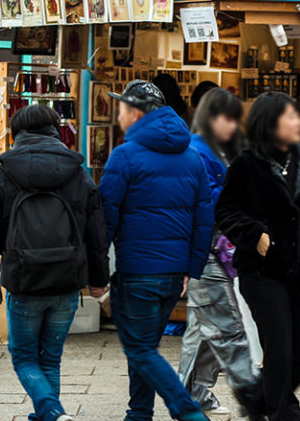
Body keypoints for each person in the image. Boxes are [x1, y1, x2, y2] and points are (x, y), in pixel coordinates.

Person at [0, 104, 109, 421]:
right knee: (51, 357)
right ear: (55, 130)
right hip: (67, 277)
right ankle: (49, 414)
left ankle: (50, 411)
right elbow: (96, 232)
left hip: (24, 278)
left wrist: (7, 249)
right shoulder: (78, 174)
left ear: (17, 132)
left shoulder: (4, 172)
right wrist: (98, 279)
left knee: (23, 356)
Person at [216, 92, 300, 421]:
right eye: (289, 116)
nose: (296, 122)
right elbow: (225, 210)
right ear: (270, 122)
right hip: (262, 272)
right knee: (280, 349)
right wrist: (254, 234)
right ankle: (284, 413)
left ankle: (257, 397)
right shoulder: (247, 163)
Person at [99, 80, 213, 421]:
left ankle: (185, 410)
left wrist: (95, 266)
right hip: (172, 274)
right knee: (144, 346)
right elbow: (204, 218)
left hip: (137, 271)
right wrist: (191, 270)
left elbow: (105, 213)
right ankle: (138, 412)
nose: (118, 114)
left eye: (121, 108)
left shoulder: (124, 156)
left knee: (141, 348)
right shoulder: (192, 158)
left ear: (135, 114)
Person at [178, 88, 262, 419]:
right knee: (227, 326)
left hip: (214, 247)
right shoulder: (200, 152)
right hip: (207, 247)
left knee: (203, 328)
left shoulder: (215, 150)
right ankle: (253, 396)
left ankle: (191, 395)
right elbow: (207, 203)